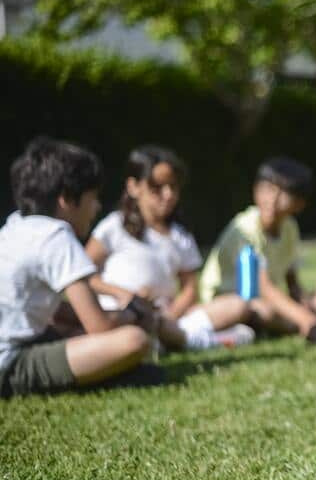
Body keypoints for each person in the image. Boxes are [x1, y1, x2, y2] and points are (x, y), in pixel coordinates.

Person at [0, 137, 156, 397]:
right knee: (133, 340)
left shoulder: (15, 225)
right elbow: (100, 326)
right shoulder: (56, 235)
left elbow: (47, 310)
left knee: (73, 327)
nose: (95, 208)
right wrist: (135, 312)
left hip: (21, 340)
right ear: (66, 200)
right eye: (92, 198)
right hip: (8, 362)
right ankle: (105, 376)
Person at [85, 146, 254, 351]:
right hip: (121, 314)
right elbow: (85, 275)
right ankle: (198, 341)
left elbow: (190, 289)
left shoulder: (179, 236)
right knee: (136, 329)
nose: (168, 195)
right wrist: (125, 295)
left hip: (168, 316)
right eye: (157, 187)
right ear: (134, 186)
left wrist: (170, 315)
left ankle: (172, 336)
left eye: (173, 187)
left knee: (238, 305)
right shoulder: (113, 227)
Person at [198, 156, 316, 343]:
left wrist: (302, 300)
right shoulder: (244, 229)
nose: (273, 199)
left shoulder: (289, 227)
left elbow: (291, 279)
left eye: (284, 194)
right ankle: (314, 322)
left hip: (272, 300)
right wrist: (305, 318)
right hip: (231, 302)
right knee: (264, 311)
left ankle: (304, 320)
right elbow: (265, 288)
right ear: (255, 190)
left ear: (300, 204)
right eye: (268, 189)